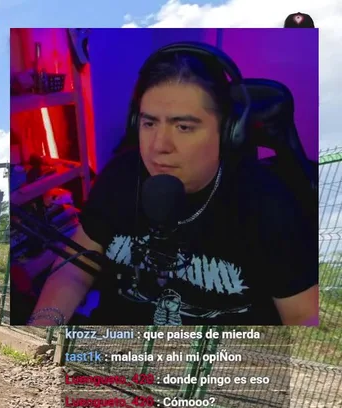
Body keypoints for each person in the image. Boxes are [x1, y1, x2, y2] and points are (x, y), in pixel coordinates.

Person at [27, 42, 318, 326]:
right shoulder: (121, 175)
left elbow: (303, 317)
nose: (159, 146)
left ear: (227, 132)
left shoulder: (269, 203)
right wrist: (43, 325)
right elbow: (75, 265)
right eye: (149, 123)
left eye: (183, 127)